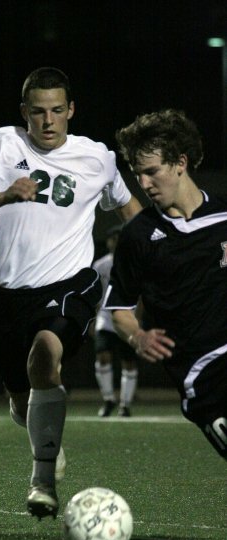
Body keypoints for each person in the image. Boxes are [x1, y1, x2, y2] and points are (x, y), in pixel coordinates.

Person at [0, 66, 143, 519]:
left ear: (71, 110)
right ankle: (45, 440)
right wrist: (4, 196)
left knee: (45, 353)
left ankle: (42, 480)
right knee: (20, 400)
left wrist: (167, 245)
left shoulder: (97, 157)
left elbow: (130, 212)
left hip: (70, 283)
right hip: (8, 296)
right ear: (24, 113)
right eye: (38, 112)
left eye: (57, 111)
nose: (48, 121)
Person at [103, 108, 227, 460]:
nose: (143, 184)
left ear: (180, 163)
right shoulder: (138, 236)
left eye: (151, 171)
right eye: (137, 174)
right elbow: (119, 310)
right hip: (203, 379)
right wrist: (137, 336)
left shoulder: (224, 218)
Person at [92, 223, 139, 417]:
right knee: (103, 357)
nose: (117, 242)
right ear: (109, 242)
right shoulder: (100, 265)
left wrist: (139, 320)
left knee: (128, 361)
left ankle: (125, 404)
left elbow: (141, 294)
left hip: (127, 316)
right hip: (105, 316)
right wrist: (93, 319)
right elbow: (95, 294)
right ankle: (108, 399)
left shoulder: (135, 263)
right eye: (113, 238)